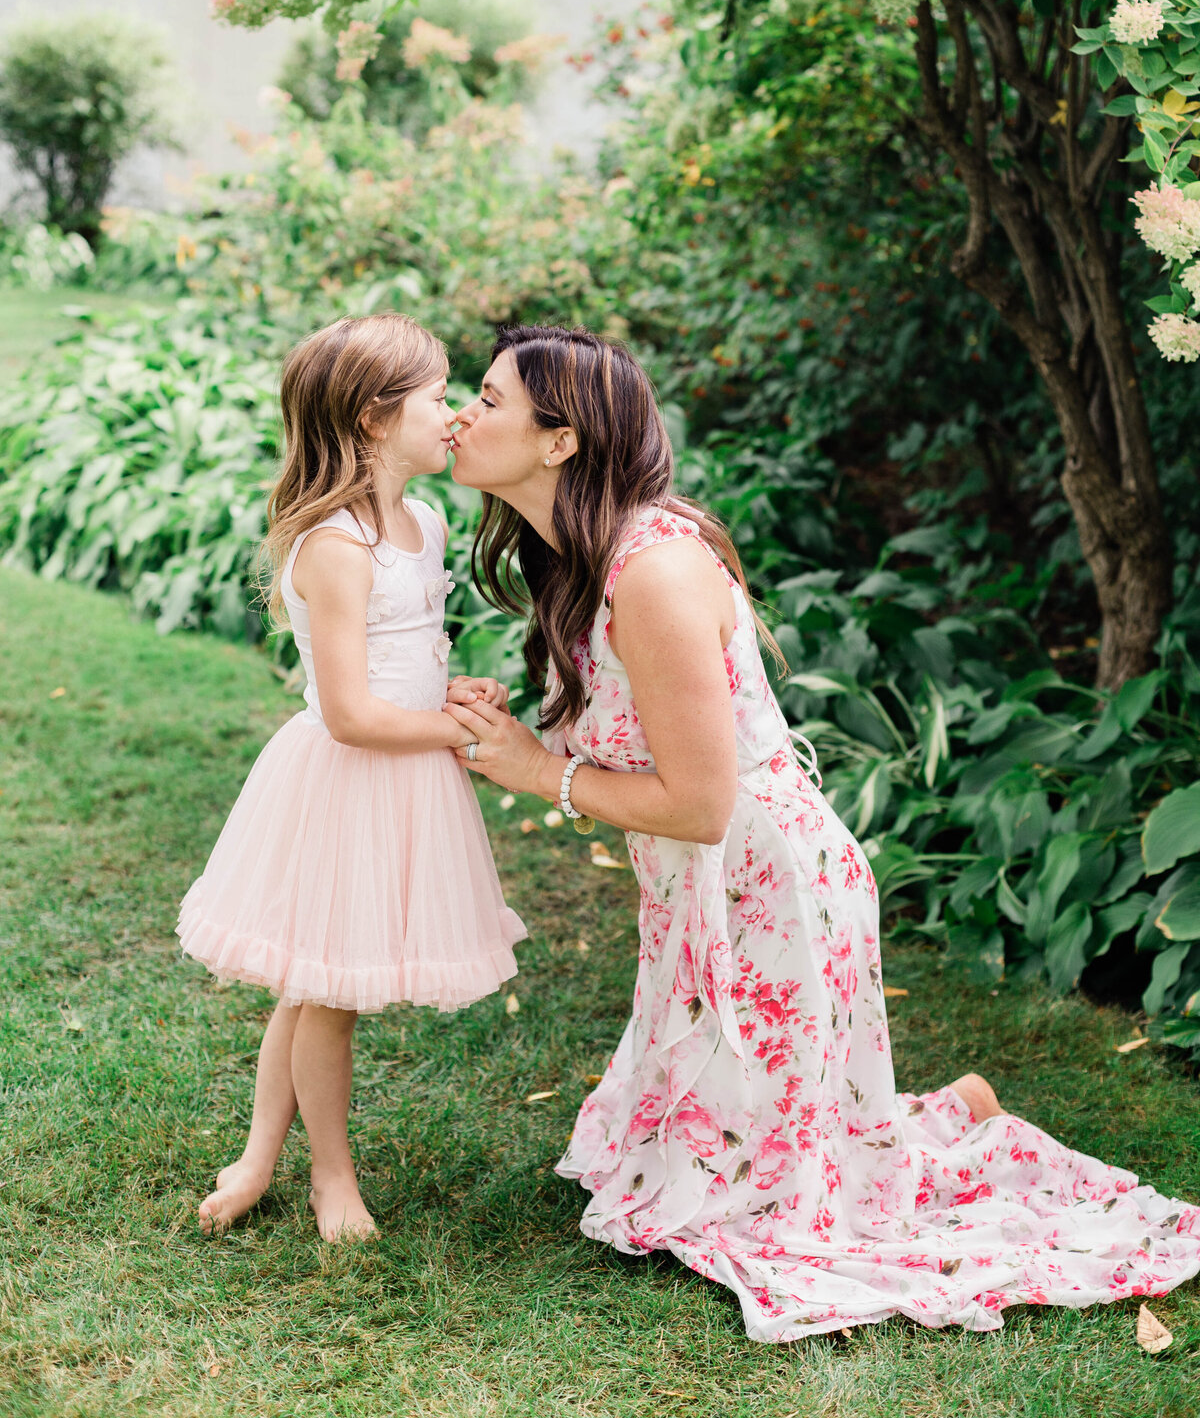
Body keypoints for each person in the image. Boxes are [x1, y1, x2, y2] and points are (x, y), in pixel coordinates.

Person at [444, 322, 1200, 1342]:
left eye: (487, 399)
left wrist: (541, 774)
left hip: (766, 887)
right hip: (702, 889)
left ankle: (937, 1140)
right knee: (690, 1165)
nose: (461, 414)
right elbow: (632, 729)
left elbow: (700, 804)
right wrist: (518, 724)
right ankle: (936, 1119)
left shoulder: (655, 572)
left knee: (769, 1210)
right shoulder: (578, 556)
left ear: (561, 442)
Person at [177, 313, 526, 1241]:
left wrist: (452, 691)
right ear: (376, 420)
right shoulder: (336, 545)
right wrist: (447, 727)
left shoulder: (426, 522)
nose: (453, 416)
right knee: (330, 994)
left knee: (313, 984)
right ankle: (331, 1176)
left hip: (402, 772)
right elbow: (350, 713)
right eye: (439, 398)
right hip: (350, 777)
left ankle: (257, 1157)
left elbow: (404, 660)